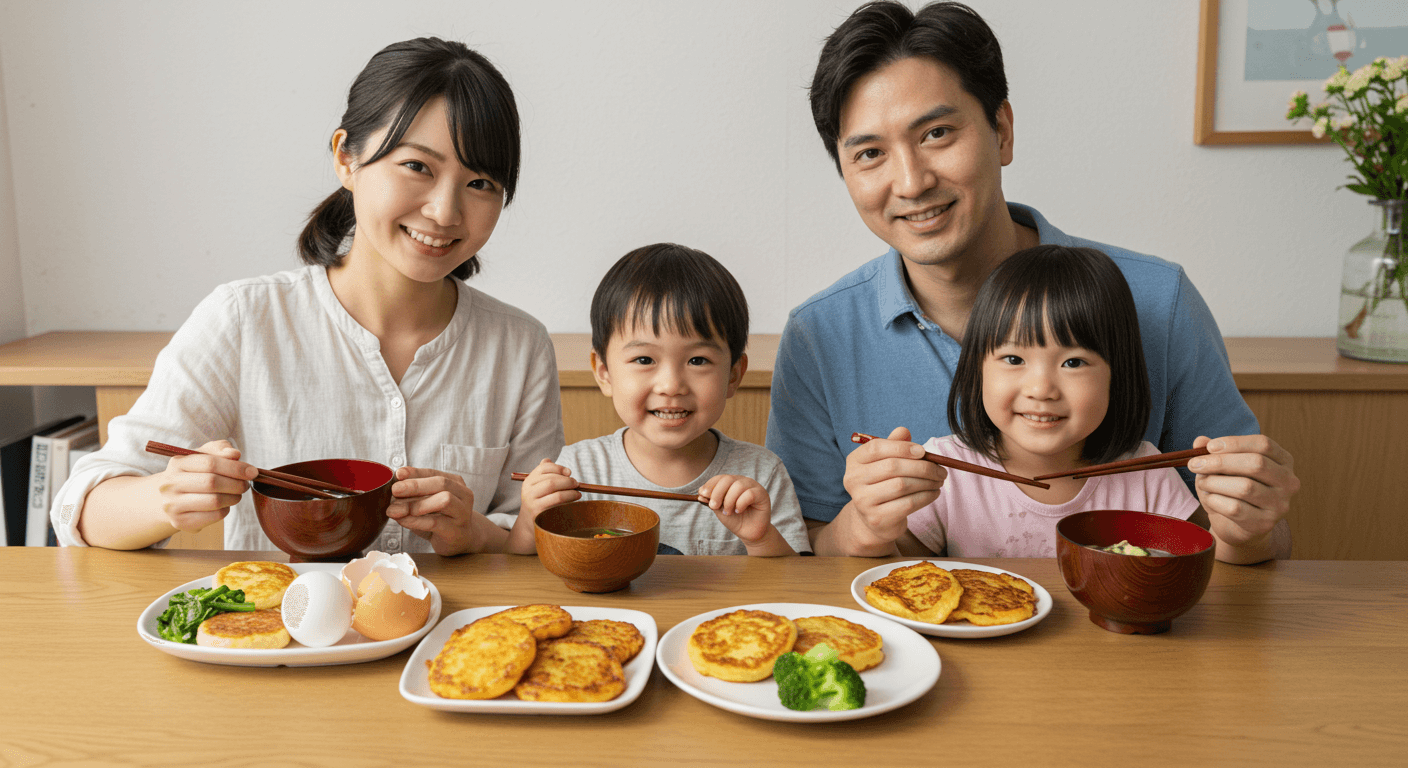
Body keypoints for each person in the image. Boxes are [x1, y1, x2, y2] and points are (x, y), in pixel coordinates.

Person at [766, 1, 1297, 561]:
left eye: (937, 133)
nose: (911, 181)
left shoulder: (1157, 301)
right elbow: (807, 555)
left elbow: (1248, 546)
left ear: (1002, 130)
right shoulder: (817, 335)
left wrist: (1252, 522)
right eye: (870, 153)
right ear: (845, 172)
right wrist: (865, 526)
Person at [51, 37, 564, 555]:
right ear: (346, 157)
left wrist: (473, 531)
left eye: (480, 183)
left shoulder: (519, 346)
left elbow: (536, 537)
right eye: (417, 166)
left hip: (461, 634)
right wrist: (164, 498)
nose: (445, 212)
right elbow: (81, 508)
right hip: (277, 631)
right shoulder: (244, 320)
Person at [887, 245, 1202, 558]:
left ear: (1117, 375)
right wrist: (879, 525)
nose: (1041, 390)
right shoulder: (943, 471)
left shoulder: (1146, 474)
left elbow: (1206, 561)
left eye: (1073, 362)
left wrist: (1237, 529)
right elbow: (902, 570)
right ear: (977, 368)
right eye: (1013, 358)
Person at [517, 244, 809, 556]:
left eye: (697, 361)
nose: (671, 385)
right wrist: (526, 523)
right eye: (644, 359)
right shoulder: (579, 470)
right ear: (604, 372)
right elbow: (522, 571)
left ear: (734, 375)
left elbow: (795, 587)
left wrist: (761, 538)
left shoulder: (761, 473)